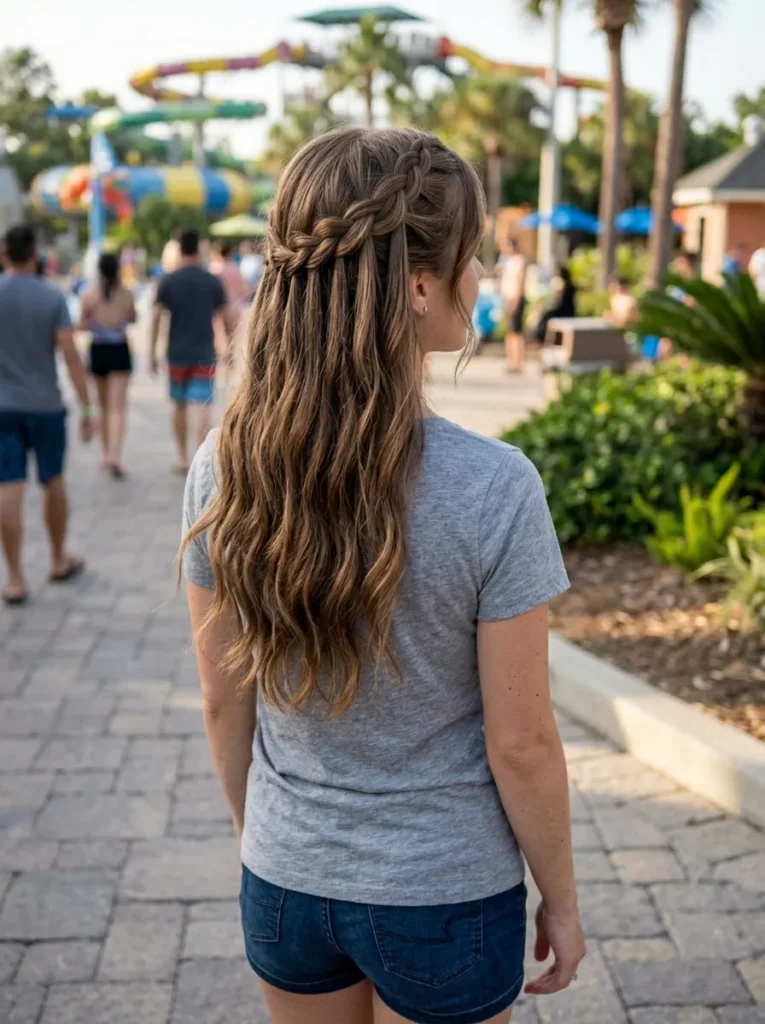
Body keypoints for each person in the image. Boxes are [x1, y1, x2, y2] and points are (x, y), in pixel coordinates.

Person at [181, 127, 585, 1024]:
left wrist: (268, 841)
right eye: (470, 256)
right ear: (416, 283)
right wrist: (559, 895)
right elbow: (521, 743)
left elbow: (222, 701)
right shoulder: (495, 487)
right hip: (443, 893)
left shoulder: (223, 465)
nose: (481, 276)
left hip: (285, 881)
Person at [0, 224, 94, 605]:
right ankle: (57, 560)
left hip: (2, 408)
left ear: (4, 254)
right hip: (46, 406)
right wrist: (88, 406)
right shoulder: (52, 298)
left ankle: (16, 579)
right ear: (35, 255)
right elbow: (70, 356)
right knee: (53, 481)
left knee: (8, 486)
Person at [150, 228, 227, 473]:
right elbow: (224, 317)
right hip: (205, 352)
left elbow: (156, 317)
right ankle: (199, 459)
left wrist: (152, 352)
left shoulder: (169, 280)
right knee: (203, 406)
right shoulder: (211, 280)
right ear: (198, 248)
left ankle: (182, 457)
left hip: (177, 353)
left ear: (179, 248)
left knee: (179, 405)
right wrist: (229, 349)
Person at [78, 252, 136, 478]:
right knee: (117, 407)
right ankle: (115, 454)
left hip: (99, 350)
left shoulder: (88, 294)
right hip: (120, 350)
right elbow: (132, 318)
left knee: (102, 405)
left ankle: (105, 454)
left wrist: (96, 322)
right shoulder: (127, 294)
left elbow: (81, 324)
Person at [209, 240, 249, 338]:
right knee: (233, 339)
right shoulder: (235, 268)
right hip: (235, 307)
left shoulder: (214, 269)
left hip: (219, 309)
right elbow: (243, 290)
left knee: (220, 338)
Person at [500, 237, 527, 373]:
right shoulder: (508, 261)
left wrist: (515, 300)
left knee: (516, 332)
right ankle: (511, 360)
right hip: (507, 299)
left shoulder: (519, 261)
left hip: (516, 299)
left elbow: (519, 282)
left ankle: (518, 361)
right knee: (510, 332)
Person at [534, 265, 577, 342]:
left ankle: (540, 337)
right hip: (564, 310)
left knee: (545, 316)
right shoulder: (567, 285)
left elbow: (559, 303)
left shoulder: (565, 286)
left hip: (565, 312)